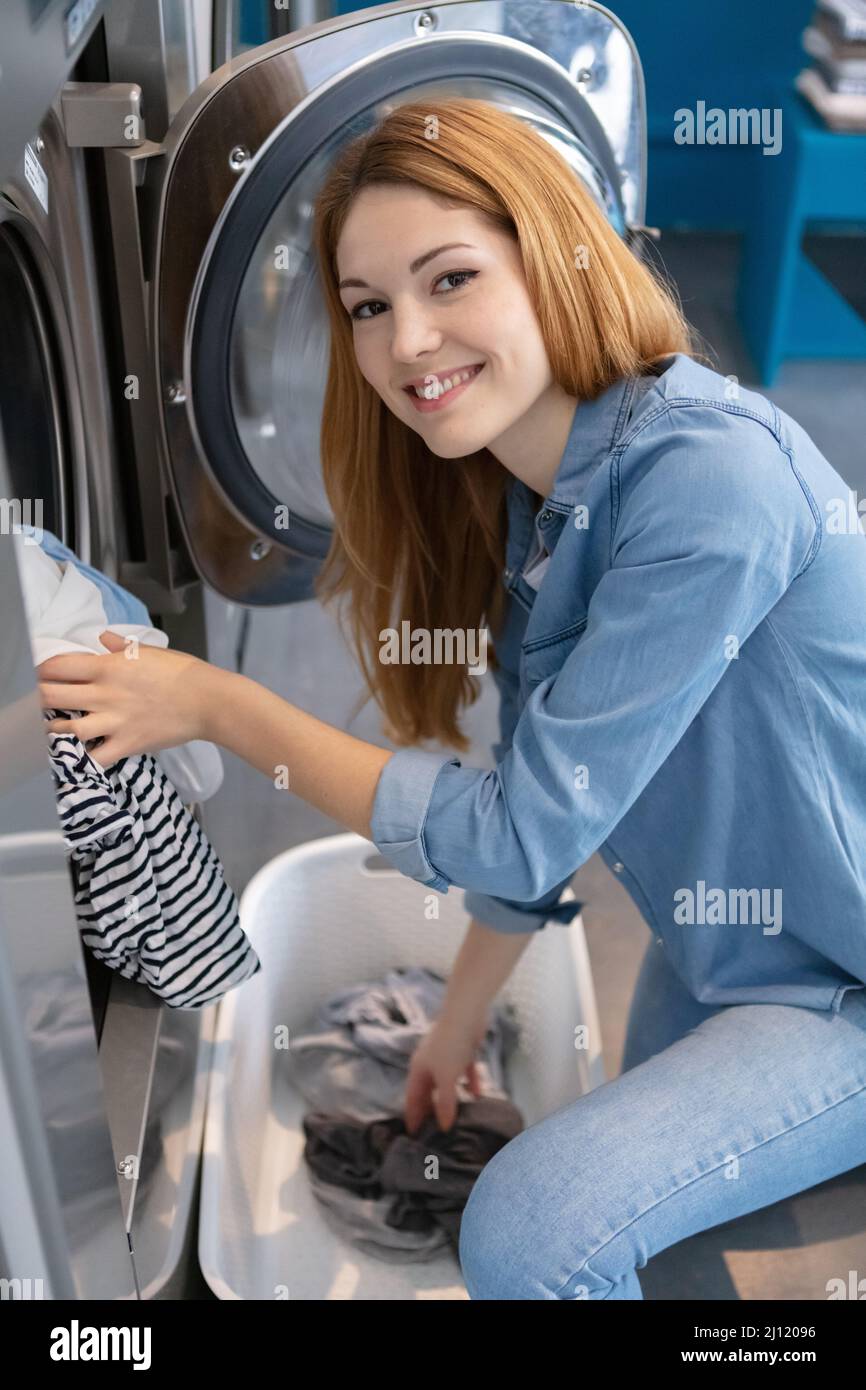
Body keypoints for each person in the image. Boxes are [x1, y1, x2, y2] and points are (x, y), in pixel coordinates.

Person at [36, 99, 866, 1299]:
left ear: (556, 257)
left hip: (841, 971)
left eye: (450, 278)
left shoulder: (706, 478)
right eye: (368, 306)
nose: (407, 342)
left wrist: (215, 703)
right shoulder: (535, 502)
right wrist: (451, 1025)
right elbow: (541, 815)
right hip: (735, 934)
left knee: (532, 1225)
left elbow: (522, 823)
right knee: (650, 1229)